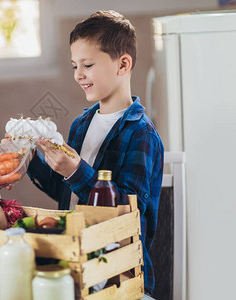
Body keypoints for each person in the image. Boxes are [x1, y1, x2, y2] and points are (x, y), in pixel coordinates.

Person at [26, 11, 164, 295]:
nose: (78, 75)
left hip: (119, 273)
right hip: (77, 262)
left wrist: (77, 171)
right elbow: (69, 192)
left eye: (87, 65)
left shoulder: (141, 134)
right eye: (74, 65)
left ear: (122, 64)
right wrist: (30, 158)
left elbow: (127, 213)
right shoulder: (81, 124)